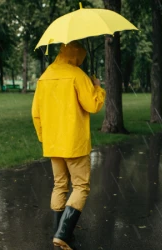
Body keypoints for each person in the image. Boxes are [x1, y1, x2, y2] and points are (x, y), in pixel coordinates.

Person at [31, 41, 106, 250]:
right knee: (81, 186)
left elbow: (35, 113)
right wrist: (97, 87)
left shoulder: (44, 77)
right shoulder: (78, 75)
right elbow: (93, 105)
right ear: (77, 54)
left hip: (53, 143)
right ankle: (63, 234)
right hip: (74, 143)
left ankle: (59, 231)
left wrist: (44, 137)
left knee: (59, 185)